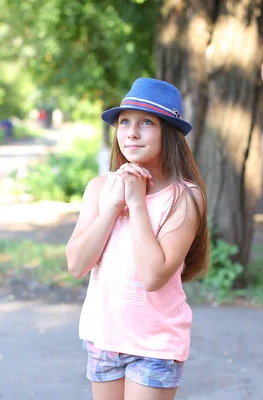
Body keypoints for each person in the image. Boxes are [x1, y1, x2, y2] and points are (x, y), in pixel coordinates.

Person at [65, 77, 210, 400]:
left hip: (155, 344)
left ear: (167, 133)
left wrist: (135, 203)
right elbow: (76, 265)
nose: (131, 132)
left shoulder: (184, 197)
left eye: (146, 123)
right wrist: (113, 206)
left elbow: (153, 276)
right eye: (124, 122)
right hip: (104, 337)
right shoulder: (101, 188)